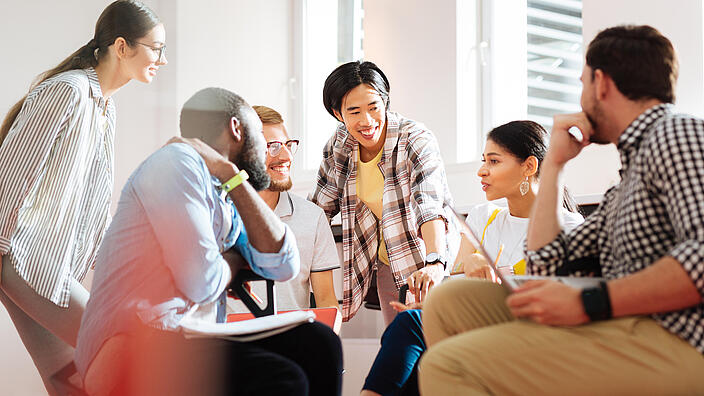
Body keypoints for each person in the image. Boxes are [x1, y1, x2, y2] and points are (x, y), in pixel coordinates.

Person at [419, 25, 704, 395]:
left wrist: (589, 301)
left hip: (676, 336)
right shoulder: (627, 180)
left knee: (447, 365)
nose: (581, 98)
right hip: (622, 322)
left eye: (583, 84)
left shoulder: (676, 134)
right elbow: (546, 263)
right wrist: (553, 164)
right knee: (450, 301)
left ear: (601, 83)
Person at [75, 87, 343, 396]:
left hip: (191, 333)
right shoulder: (175, 164)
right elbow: (202, 282)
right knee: (282, 378)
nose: (273, 153)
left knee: (320, 343)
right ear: (236, 129)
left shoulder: (223, 187)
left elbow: (283, 264)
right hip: (136, 342)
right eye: (263, 140)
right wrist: (233, 258)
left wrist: (231, 175)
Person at [0, 1, 166, 393]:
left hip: (49, 262)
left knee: (68, 381)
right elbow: (12, 176)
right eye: (155, 48)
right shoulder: (68, 91)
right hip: (24, 259)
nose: (161, 59)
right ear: (122, 46)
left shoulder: (104, 104)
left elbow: (91, 199)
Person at [361, 120, 583, 396]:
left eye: (494, 161)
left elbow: (558, 302)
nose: (482, 171)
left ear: (529, 166)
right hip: (474, 326)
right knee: (415, 323)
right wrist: (437, 299)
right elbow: (454, 284)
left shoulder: (569, 227)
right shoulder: (483, 216)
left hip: (525, 332)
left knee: (414, 330)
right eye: (483, 160)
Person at [309, 60, 459, 325]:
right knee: (398, 344)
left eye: (373, 107)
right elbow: (320, 207)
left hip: (430, 258)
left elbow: (429, 203)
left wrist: (435, 262)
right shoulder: (339, 145)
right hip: (387, 261)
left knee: (436, 350)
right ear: (337, 113)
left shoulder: (415, 138)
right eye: (354, 111)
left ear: (385, 102)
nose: (367, 121)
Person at [229, 105, 341, 324]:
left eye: (289, 145)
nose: (287, 155)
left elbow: (327, 300)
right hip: (229, 346)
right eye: (273, 147)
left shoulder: (312, 218)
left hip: (291, 343)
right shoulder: (216, 216)